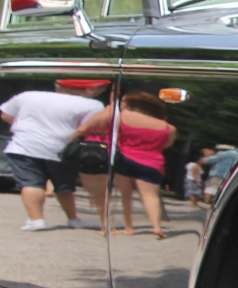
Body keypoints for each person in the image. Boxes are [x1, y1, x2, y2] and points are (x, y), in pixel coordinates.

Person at [0, 79, 106, 231]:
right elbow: (90, 127)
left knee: (31, 183)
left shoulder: (28, 95)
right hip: (62, 149)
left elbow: (6, 115)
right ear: (87, 90)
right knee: (64, 186)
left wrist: (28, 126)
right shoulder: (92, 105)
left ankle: (36, 220)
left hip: (24, 145)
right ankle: (73, 219)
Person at [74, 91, 176, 238]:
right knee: (150, 195)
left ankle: (126, 227)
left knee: (124, 195)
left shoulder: (122, 117)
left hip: (125, 158)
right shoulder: (168, 127)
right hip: (152, 163)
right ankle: (156, 227)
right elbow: (167, 145)